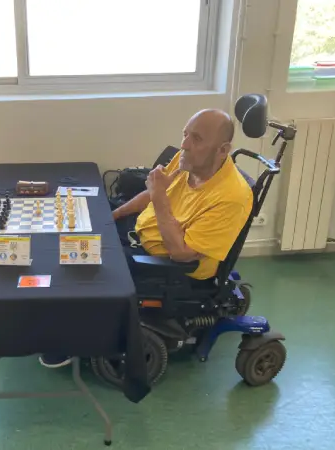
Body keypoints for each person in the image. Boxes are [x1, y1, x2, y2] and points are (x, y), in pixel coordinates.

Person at [39, 109, 253, 369]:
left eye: (196, 139)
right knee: (84, 213)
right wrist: (113, 215)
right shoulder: (188, 160)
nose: (184, 144)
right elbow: (152, 193)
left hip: (167, 264)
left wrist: (159, 197)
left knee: (78, 259)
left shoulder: (231, 197)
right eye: (185, 134)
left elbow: (180, 253)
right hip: (139, 231)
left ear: (223, 150)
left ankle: (68, 340)